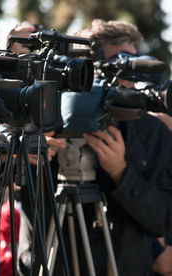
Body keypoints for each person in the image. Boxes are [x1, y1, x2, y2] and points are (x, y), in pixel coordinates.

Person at [49, 19, 172, 276]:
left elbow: (164, 221)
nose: (129, 76)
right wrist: (18, 154)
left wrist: (122, 174)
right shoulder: (46, 122)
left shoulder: (151, 131)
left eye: (133, 63)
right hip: (53, 263)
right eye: (119, 64)